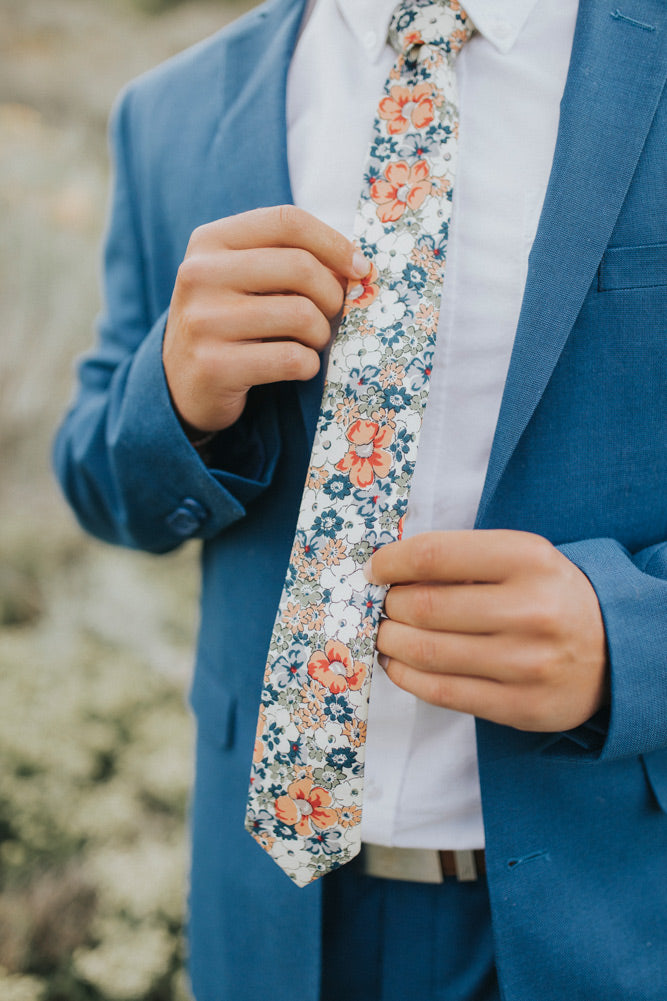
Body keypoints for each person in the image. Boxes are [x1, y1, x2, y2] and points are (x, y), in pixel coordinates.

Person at [54, 0, 667, 998]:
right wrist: (170, 397)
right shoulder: (166, 111)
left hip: (617, 908)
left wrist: (634, 640)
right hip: (276, 924)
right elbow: (98, 481)